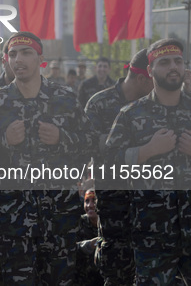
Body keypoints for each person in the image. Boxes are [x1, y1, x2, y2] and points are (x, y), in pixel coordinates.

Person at [0, 31, 94, 284]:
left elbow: (91, 144)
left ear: (41, 59)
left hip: (60, 214)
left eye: (26, 52)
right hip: (14, 217)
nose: (18, 59)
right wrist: (4, 142)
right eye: (12, 54)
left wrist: (62, 138)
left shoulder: (65, 98)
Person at [106, 39, 191, 284]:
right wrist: (146, 151)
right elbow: (108, 167)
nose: (173, 67)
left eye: (178, 61)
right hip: (153, 233)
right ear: (150, 71)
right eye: (164, 62)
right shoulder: (131, 114)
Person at [84, 48, 153, 285]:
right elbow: (88, 144)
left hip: (151, 199)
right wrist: (135, 146)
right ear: (143, 78)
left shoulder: (156, 105)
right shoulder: (100, 103)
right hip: (114, 198)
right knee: (116, 268)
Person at [75, 190, 103, 286]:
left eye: (94, 201)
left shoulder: (109, 224)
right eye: (87, 201)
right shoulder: (79, 223)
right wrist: (88, 245)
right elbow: (69, 248)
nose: (90, 205)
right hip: (83, 280)